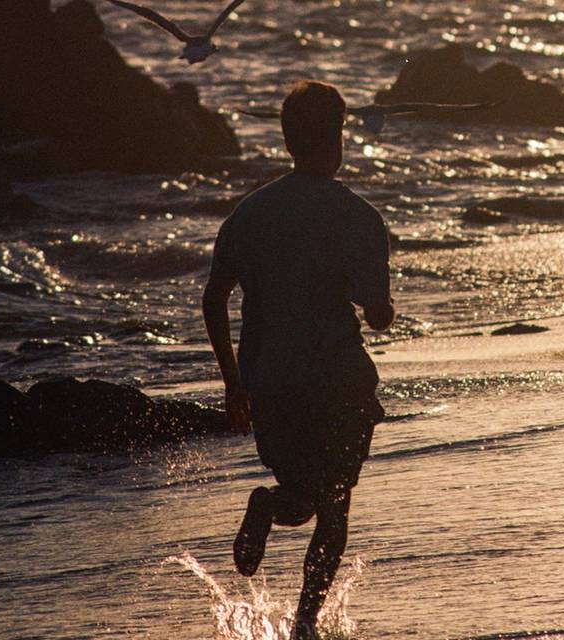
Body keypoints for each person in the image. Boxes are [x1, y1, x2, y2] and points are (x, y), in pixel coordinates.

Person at [202, 80, 395, 640]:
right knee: (332, 506)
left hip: (269, 381)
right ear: (336, 140)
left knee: (300, 494)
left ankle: (267, 505)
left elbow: (215, 298)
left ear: (288, 141)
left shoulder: (249, 214)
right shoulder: (357, 215)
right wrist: (384, 308)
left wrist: (233, 383)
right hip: (335, 380)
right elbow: (376, 312)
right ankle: (306, 622)